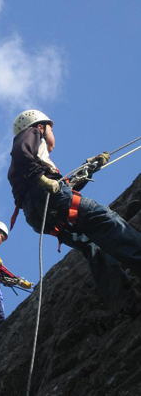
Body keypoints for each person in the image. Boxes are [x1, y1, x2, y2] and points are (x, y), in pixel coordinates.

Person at [8, 109, 141, 317]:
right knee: (108, 222)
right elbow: (23, 156)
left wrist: (91, 166)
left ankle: (127, 304)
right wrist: (42, 180)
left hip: (40, 215)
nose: (53, 135)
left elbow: (63, 187)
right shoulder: (33, 133)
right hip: (45, 197)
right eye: (51, 128)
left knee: (93, 245)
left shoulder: (38, 159)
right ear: (40, 126)